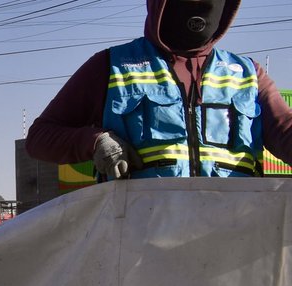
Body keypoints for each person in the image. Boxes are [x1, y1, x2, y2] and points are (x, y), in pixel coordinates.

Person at [25, 0, 292, 177]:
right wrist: (95, 142)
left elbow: (285, 131)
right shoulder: (112, 66)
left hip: (233, 239)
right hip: (139, 242)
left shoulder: (248, 74)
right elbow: (40, 138)